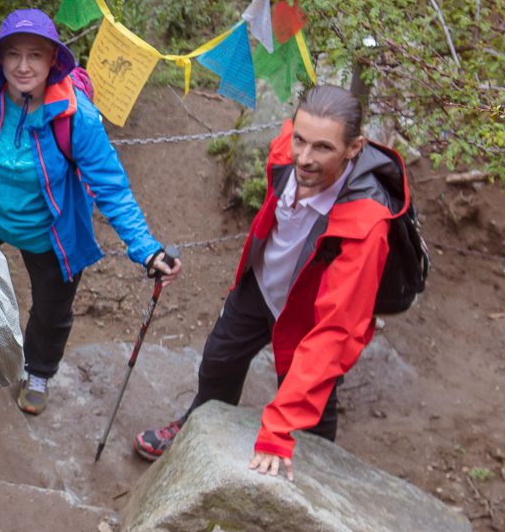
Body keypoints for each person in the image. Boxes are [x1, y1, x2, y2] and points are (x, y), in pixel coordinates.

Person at [134, 84, 408, 479]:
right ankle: (196, 425)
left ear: (354, 147)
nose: (305, 158)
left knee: (313, 401)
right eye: (300, 139)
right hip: (261, 284)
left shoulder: (366, 225)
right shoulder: (284, 151)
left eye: (323, 148)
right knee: (218, 362)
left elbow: (335, 332)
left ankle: (313, 472)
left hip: (309, 314)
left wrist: (277, 430)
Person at [0, 8, 181, 415]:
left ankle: (38, 371)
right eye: (13, 54)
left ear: (53, 59)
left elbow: (111, 185)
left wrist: (147, 249)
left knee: (52, 310)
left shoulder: (76, 115)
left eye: (35, 55)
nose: (23, 65)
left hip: (51, 230)